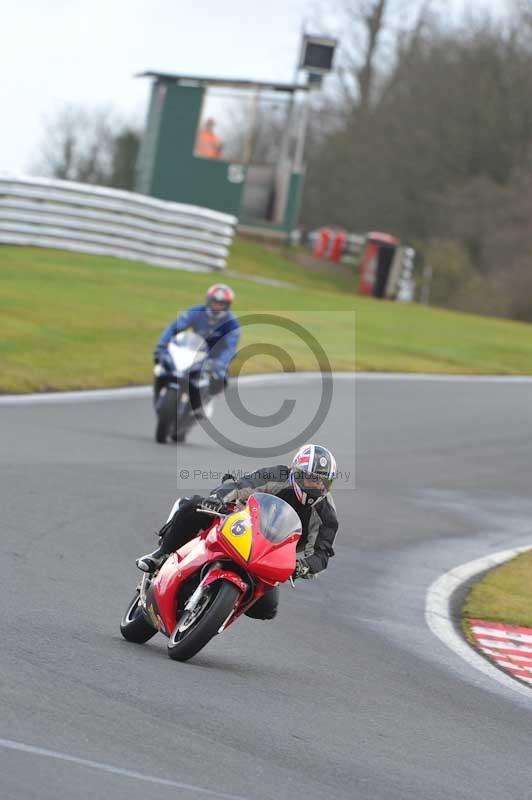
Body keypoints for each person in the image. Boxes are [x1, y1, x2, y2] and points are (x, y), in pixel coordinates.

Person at [136, 444, 339, 620]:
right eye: (311, 479)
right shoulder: (278, 476)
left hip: (269, 556)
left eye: (322, 481)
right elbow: (242, 486)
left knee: (267, 609)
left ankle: (219, 608)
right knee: (194, 505)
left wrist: (301, 566)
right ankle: (161, 553)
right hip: (243, 526)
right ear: (296, 473)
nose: (316, 485)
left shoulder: (327, 515)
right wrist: (218, 499)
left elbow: (321, 554)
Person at [153, 283, 239, 413]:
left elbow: (230, 347)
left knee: (221, 378)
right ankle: (159, 394)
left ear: (227, 305)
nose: (217, 306)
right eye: (215, 302)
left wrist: (220, 362)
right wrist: (162, 346)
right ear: (208, 300)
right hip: (191, 350)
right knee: (161, 367)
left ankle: (207, 400)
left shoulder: (232, 324)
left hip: (213, 358)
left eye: (221, 304)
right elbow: (174, 328)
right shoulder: (195, 312)